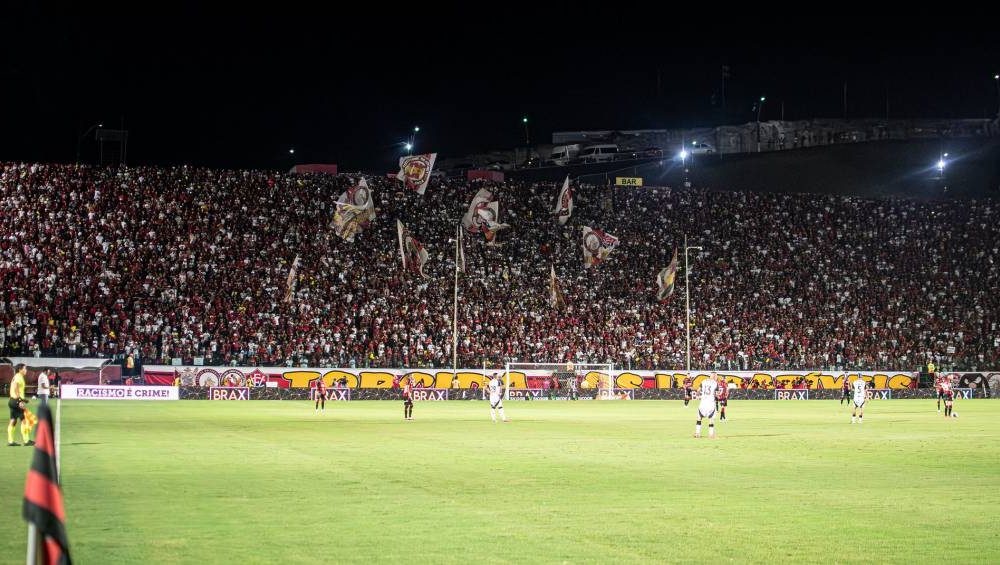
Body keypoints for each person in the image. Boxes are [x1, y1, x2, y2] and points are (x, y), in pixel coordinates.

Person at [8, 364, 32, 446]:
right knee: (24, 420)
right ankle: (26, 441)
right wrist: (20, 400)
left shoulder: (16, 376)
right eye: (25, 369)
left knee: (13, 420)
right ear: (20, 369)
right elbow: (16, 388)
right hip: (17, 401)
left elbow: (14, 389)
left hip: (12, 400)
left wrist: (22, 399)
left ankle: (10, 441)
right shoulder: (18, 377)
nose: (26, 370)